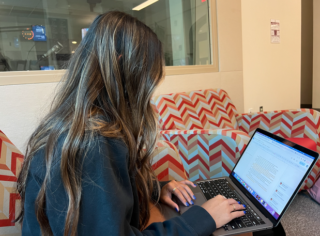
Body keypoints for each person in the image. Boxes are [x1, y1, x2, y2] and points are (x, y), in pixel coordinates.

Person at [16, 11, 245, 236]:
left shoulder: (79, 125)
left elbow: (100, 203)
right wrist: (203, 219)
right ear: (122, 66)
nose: (149, 92)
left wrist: (155, 189)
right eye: (148, 78)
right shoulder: (92, 144)